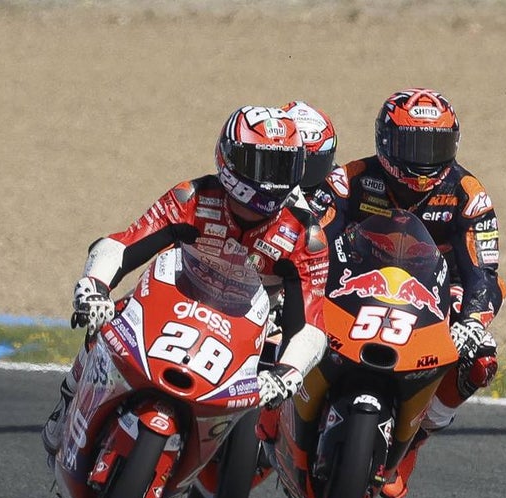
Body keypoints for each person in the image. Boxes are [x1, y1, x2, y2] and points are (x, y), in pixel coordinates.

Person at [41, 104, 330, 458]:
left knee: (266, 391)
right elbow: (125, 243)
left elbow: (311, 323)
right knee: (108, 318)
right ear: (230, 160)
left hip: (246, 330)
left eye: (283, 167)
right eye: (261, 165)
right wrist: (95, 287)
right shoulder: (192, 197)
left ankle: (210, 462)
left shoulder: (305, 236)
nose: (271, 180)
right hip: (175, 302)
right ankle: (70, 397)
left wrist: (288, 372)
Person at [310, 88, 506, 498]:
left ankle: (414, 437)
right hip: (354, 284)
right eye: (412, 144)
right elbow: (312, 242)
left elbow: (484, 273)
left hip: (434, 294)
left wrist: (472, 322)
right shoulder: (350, 180)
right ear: (386, 141)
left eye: (435, 146)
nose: (423, 158)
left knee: (481, 360)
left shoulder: (468, 194)